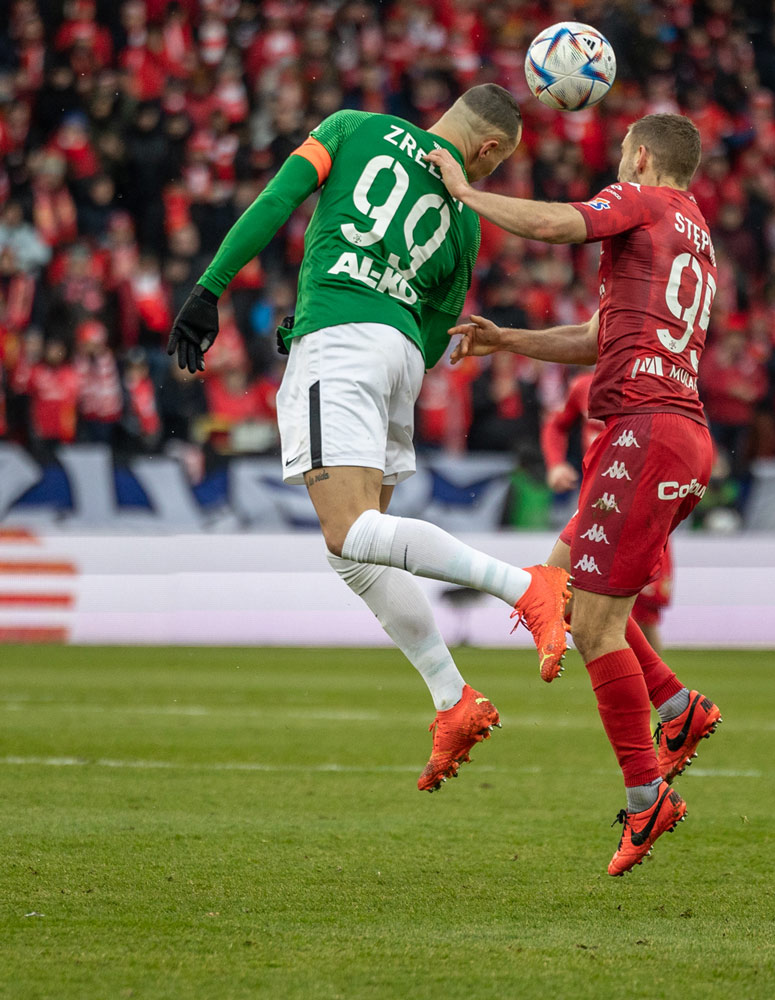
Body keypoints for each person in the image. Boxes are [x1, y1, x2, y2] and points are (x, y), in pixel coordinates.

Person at [163, 86, 571, 793]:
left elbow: (275, 201)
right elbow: (441, 333)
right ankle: (452, 699)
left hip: (339, 339)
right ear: (490, 149)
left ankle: (523, 586)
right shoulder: (466, 221)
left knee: (352, 532)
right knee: (354, 549)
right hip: (399, 359)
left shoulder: (352, 127)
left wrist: (210, 288)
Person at [429, 113, 719, 876]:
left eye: (623, 157)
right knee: (559, 585)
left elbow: (561, 225)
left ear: (645, 157)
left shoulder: (646, 203)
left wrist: (464, 190)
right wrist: (509, 339)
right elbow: (600, 336)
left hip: (645, 428)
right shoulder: (692, 230)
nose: (616, 170)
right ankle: (676, 710)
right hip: (672, 429)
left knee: (592, 628)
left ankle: (645, 795)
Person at [543, 369, 675, 650]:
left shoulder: (655, 386)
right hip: (598, 507)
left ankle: (654, 688)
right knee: (577, 600)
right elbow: (556, 425)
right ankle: (632, 684)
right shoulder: (583, 386)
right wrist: (555, 464)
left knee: (643, 611)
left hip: (644, 509)